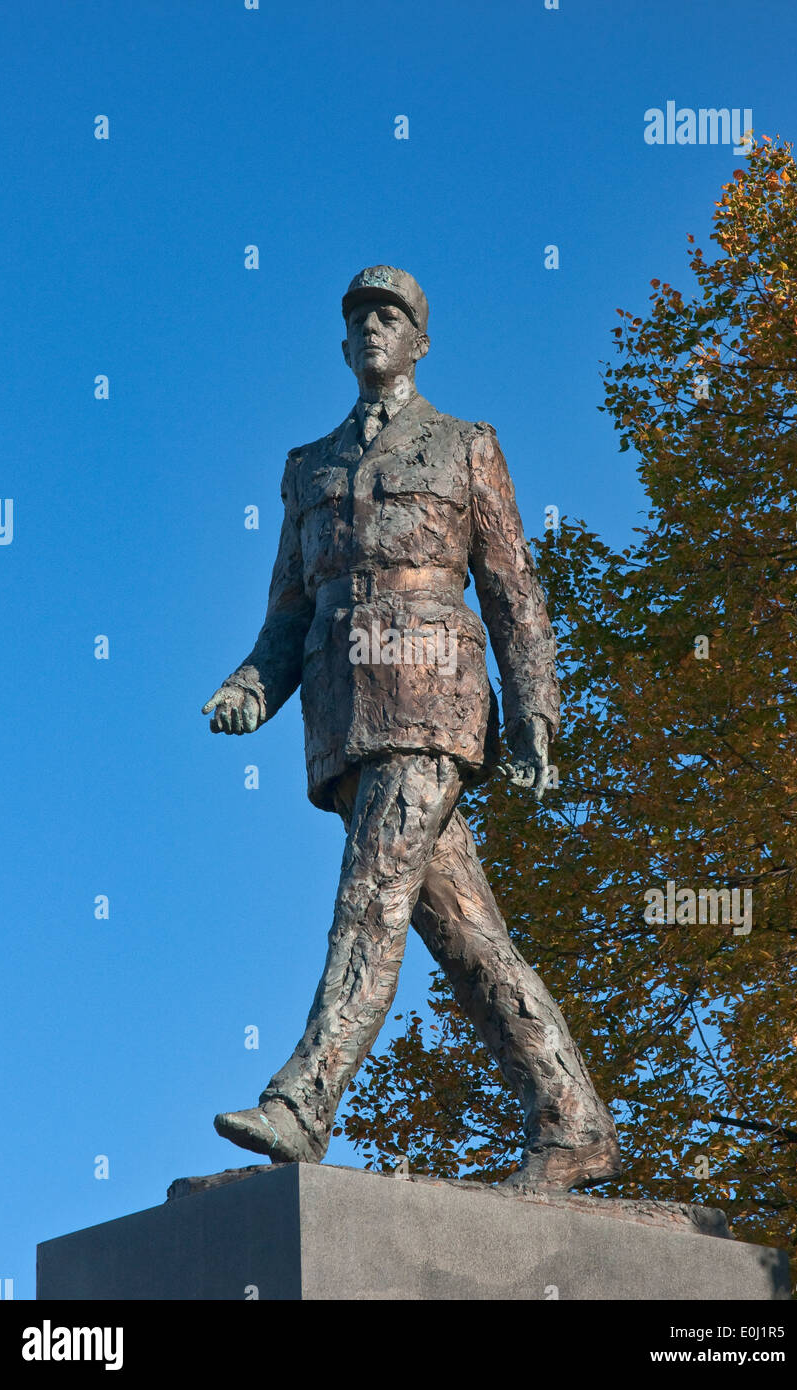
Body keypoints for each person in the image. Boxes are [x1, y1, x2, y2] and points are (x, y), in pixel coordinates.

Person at [202, 266, 621, 1191]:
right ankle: (573, 1119)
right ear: (342, 343)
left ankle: (303, 1100)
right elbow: (286, 616)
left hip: (434, 705)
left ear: (419, 340)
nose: (370, 331)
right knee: (469, 938)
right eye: (356, 320)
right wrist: (248, 690)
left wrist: (534, 715)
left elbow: (513, 590)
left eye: (388, 317)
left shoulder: (463, 445)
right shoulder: (307, 468)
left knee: (369, 902)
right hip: (343, 717)